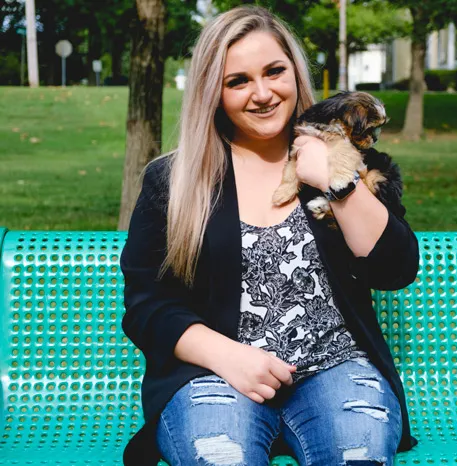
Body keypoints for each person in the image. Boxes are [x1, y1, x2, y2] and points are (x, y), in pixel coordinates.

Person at [120, 5, 419, 466]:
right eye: (237, 81)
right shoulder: (175, 181)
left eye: (274, 71)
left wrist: (335, 180)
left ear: (295, 74)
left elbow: (395, 269)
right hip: (214, 373)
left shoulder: (352, 162)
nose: (262, 94)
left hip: (336, 367)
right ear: (212, 93)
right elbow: (146, 305)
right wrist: (227, 356)